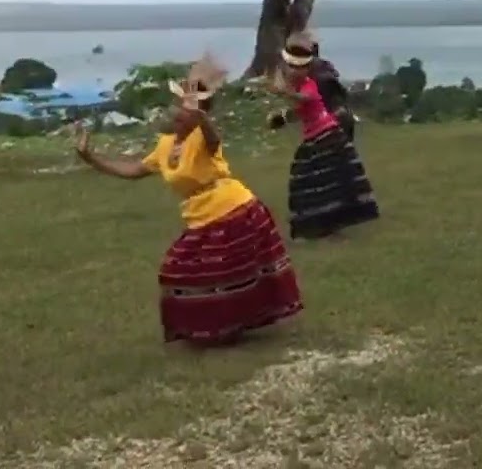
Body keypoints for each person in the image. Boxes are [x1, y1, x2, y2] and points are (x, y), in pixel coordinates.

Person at [74, 56, 302, 346]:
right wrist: (90, 158)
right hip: (200, 217)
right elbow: (133, 170)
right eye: (177, 107)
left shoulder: (202, 137)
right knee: (178, 271)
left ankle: (229, 328)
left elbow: (213, 136)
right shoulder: (165, 145)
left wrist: (201, 113)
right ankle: (215, 328)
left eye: (183, 108)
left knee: (230, 275)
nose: (176, 113)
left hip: (234, 211)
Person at [269, 31, 379, 240]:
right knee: (312, 179)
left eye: (298, 66)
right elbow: (301, 109)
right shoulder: (302, 84)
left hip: (328, 135)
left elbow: (304, 99)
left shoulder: (310, 84)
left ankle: (327, 224)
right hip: (317, 136)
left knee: (323, 179)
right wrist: (282, 118)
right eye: (291, 66)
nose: (293, 70)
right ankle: (321, 224)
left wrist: (283, 93)